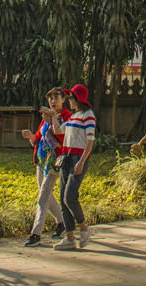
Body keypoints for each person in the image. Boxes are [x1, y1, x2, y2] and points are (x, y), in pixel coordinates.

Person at [43, 82, 96, 251]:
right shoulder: (73, 117)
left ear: (78, 99)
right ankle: (69, 237)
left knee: (70, 196)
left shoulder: (88, 116)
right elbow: (59, 131)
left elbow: (90, 141)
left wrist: (81, 161)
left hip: (78, 158)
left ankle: (84, 228)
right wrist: (52, 117)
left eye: (71, 98)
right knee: (63, 198)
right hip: (66, 157)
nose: (69, 101)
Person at [21, 87, 71, 247]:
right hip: (41, 160)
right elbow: (38, 138)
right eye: (50, 98)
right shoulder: (45, 118)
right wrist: (30, 136)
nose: (53, 101)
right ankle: (61, 222)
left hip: (54, 162)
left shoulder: (67, 117)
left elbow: (61, 135)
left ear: (64, 99)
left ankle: (36, 233)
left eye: (56, 98)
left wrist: (54, 117)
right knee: (46, 195)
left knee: (43, 197)